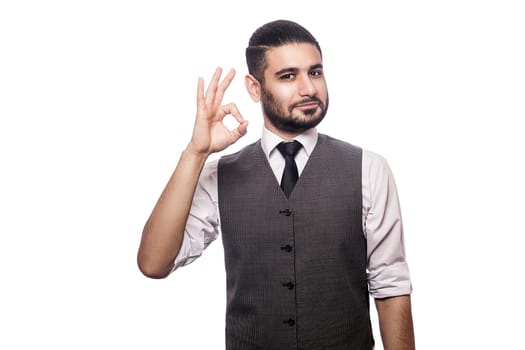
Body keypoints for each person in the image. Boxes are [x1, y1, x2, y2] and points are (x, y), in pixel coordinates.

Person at [137, 19, 415, 349]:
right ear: (255, 88)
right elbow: (153, 264)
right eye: (288, 76)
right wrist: (196, 152)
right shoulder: (219, 175)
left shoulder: (369, 169)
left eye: (315, 72)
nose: (309, 88)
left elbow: (391, 286)